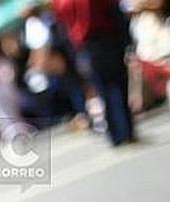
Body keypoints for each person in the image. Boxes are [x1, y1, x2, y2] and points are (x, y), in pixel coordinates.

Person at [53, 0, 138, 145]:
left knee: (103, 89)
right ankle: (125, 130)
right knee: (118, 85)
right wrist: (125, 39)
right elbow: (112, 10)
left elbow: (62, 24)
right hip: (105, 39)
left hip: (84, 46)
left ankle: (115, 133)